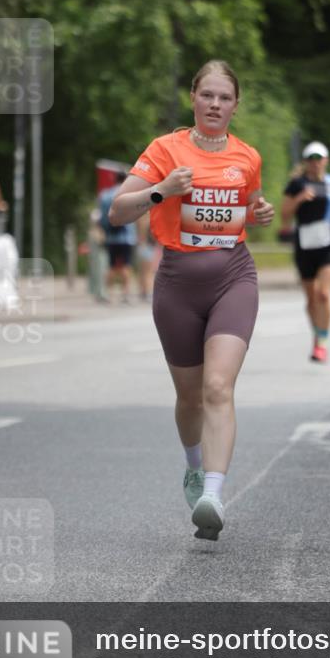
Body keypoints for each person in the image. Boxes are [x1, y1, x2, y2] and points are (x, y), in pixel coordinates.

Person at [108, 60, 274, 540]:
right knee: (189, 395)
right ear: (193, 98)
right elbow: (119, 211)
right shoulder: (165, 149)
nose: (215, 105)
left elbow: (247, 207)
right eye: (207, 96)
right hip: (178, 282)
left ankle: (214, 496)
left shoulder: (248, 157)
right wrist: (161, 191)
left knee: (218, 387)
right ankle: (194, 466)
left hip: (233, 275)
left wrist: (256, 212)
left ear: (235, 105)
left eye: (224, 98)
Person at [280, 142, 330, 363]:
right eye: (310, 158)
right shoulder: (296, 184)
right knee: (311, 298)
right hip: (304, 246)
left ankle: (322, 342)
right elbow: (284, 215)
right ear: (305, 161)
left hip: (328, 245)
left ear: (326, 160)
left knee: (324, 294)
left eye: (319, 158)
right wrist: (299, 199)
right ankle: (317, 334)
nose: (315, 162)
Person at [100, 170, 138, 303]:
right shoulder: (129, 194)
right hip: (127, 237)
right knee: (126, 266)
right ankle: (126, 294)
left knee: (111, 266)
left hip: (111, 237)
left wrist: (105, 231)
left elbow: (103, 218)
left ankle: (106, 294)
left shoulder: (105, 195)